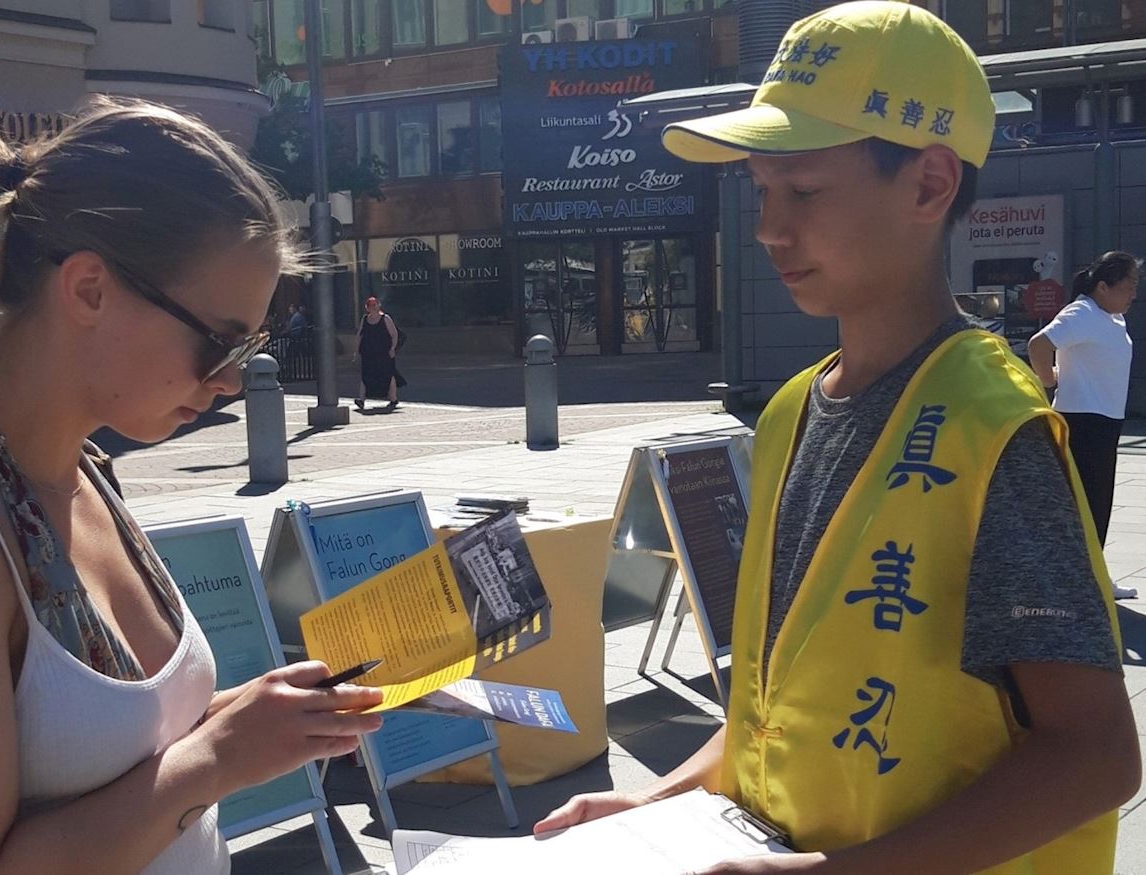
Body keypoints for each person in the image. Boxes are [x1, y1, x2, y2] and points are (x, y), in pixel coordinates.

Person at [535, 4, 1139, 873]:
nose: (770, 227)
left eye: (805, 191)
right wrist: (651, 799)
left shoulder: (989, 428)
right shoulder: (787, 412)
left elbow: (1096, 756)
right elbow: (770, 719)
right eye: (761, 191)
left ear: (930, 185)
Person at [0, 98, 384, 873]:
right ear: (88, 289)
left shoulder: (78, 467)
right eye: (219, 340)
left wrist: (260, 719)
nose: (229, 379)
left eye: (251, 343)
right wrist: (219, 753)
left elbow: (115, 758)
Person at [1029, 251, 1138, 596]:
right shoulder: (1082, 312)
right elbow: (1039, 344)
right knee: (1086, 504)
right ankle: (1081, 582)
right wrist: (1047, 383)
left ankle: (1090, 577)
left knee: (1096, 504)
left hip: (1104, 421)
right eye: (1129, 285)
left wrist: (1063, 375)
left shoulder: (1111, 317)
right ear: (1103, 287)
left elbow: (1089, 363)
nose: (1134, 293)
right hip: (1083, 423)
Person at [354, 295, 404, 410]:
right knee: (365, 375)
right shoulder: (365, 319)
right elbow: (359, 335)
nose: (372, 307)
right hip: (368, 353)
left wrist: (392, 348)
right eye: (370, 305)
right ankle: (361, 399)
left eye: (374, 305)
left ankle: (393, 398)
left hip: (384, 352)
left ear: (378, 306)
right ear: (367, 308)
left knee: (389, 374)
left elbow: (394, 334)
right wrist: (356, 351)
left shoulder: (385, 318)